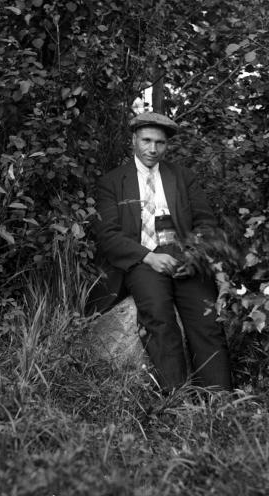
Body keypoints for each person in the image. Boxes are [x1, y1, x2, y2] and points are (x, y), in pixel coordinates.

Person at [90, 111, 232, 392]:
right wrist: (149, 257)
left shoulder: (183, 177)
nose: (153, 149)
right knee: (159, 318)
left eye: (160, 143)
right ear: (134, 140)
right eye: (146, 140)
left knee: (206, 322)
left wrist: (196, 257)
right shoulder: (112, 182)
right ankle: (177, 397)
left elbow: (205, 222)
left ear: (167, 145)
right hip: (143, 260)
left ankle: (220, 399)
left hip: (185, 258)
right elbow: (108, 235)